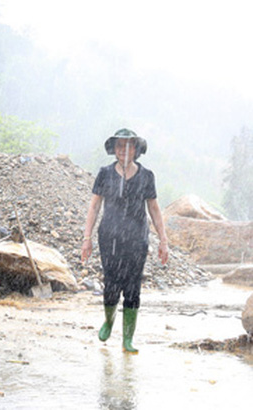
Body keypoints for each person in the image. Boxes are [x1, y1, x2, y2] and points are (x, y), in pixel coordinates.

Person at [80, 128, 169, 354]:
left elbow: (155, 210)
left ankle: (127, 339)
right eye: (120, 146)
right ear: (114, 149)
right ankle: (109, 322)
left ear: (137, 149)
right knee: (111, 285)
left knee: (133, 287)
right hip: (109, 236)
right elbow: (94, 206)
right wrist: (86, 238)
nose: (124, 150)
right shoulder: (105, 174)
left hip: (137, 238)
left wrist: (163, 240)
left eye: (129, 146)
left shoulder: (146, 176)